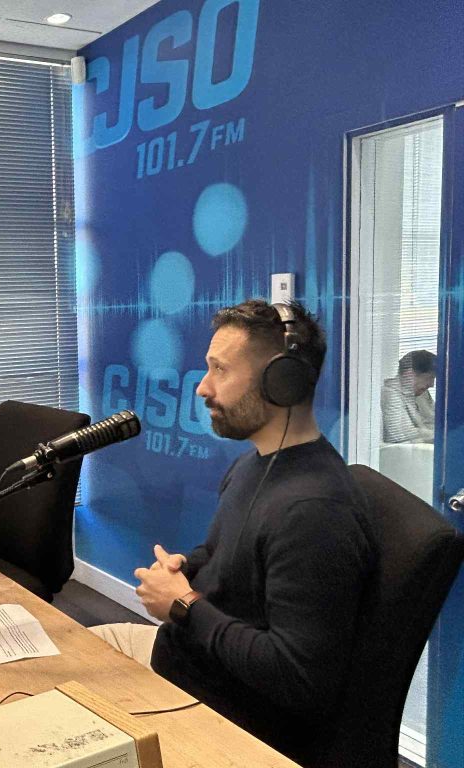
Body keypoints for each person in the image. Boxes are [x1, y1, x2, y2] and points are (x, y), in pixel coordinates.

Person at [90, 299, 375, 765]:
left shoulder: (314, 513)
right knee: (61, 658)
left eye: (220, 370)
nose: (202, 387)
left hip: (212, 713)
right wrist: (188, 566)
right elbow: (227, 552)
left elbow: (299, 678)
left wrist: (184, 606)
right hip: (182, 663)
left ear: (281, 381)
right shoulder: (255, 465)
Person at [381, 349, 436, 443]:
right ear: (409, 375)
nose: (432, 384)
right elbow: (401, 435)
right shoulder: (389, 394)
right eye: (429, 378)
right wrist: (439, 435)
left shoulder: (422, 393)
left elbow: (434, 422)